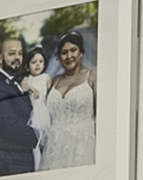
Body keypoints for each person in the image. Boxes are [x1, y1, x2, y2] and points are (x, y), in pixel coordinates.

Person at [36, 31, 97, 171]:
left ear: (81, 52)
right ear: (58, 57)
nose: (69, 56)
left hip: (82, 145)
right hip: (54, 147)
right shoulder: (53, 81)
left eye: (73, 50)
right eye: (64, 52)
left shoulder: (93, 75)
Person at [0, 26, 38, 178]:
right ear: (0, 58)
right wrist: (40, 137)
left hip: (18, 161)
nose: (17, 58)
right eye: (12, 53)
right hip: (7, 163)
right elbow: (9, 123)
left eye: (20, 53)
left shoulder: (13, 82)